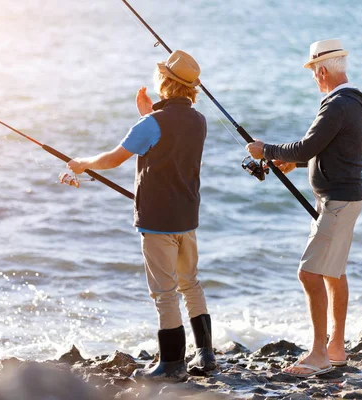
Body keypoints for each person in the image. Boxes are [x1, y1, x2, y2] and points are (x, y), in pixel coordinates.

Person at [62, 50, 216, 381]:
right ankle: (206, 354)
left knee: (164, 292)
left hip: (158, 220)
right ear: (190, 89)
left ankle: (173, 363)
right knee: (190, 284)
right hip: (187, 217)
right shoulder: (198, 120)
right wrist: (148, 116)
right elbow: (170, 146)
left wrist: (82, 163)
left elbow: (113, 159)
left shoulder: (151, 124)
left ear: (165, 82)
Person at [246, 38, 362, 378]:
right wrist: (294, 163)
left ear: (321, 71)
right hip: (342, 197)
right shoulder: (351, 102)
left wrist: (266, 149)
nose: (314, 79)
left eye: (313, 73)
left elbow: (307, 146)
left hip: (338, 201)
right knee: (333, 271)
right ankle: (335, 348)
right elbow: (330, 151)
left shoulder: (337, 105)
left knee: (309, 273)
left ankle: (320, 353)